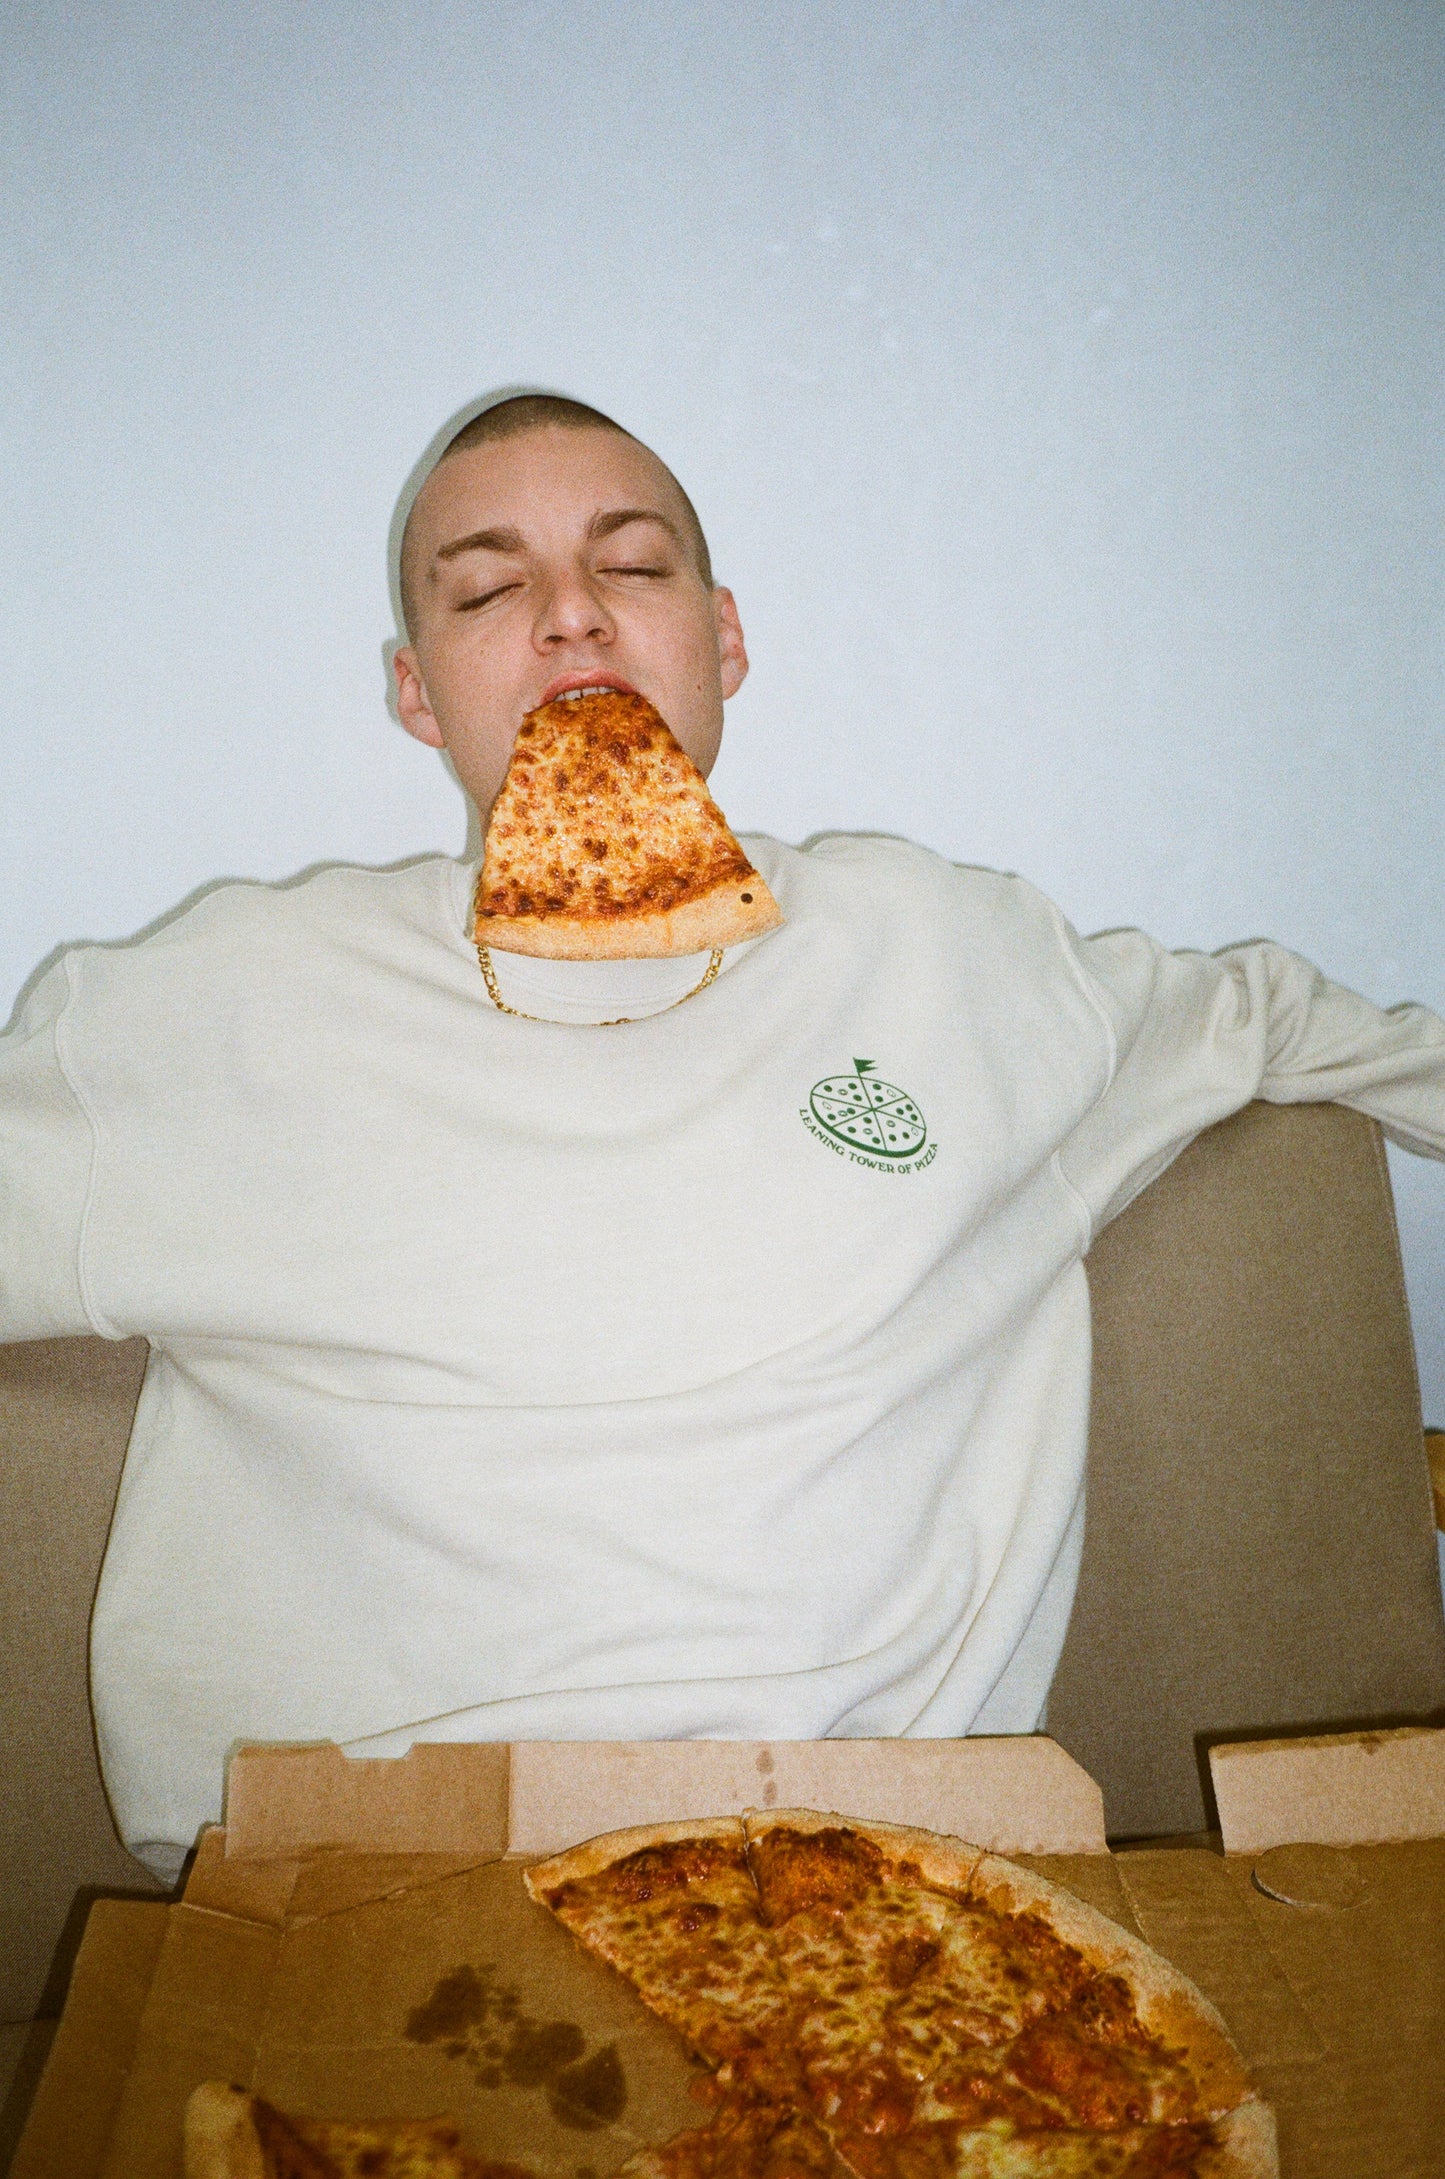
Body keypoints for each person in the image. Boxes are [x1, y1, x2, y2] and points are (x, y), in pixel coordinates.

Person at [3, 393, 1443, 1882]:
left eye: (631, 566)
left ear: (724, 637)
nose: (571, 613)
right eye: (488, 589)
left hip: (870, 1862)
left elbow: (1276, 1016)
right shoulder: (218, 1006)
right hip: (360, 1878)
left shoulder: (944, 953)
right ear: (416, 693)